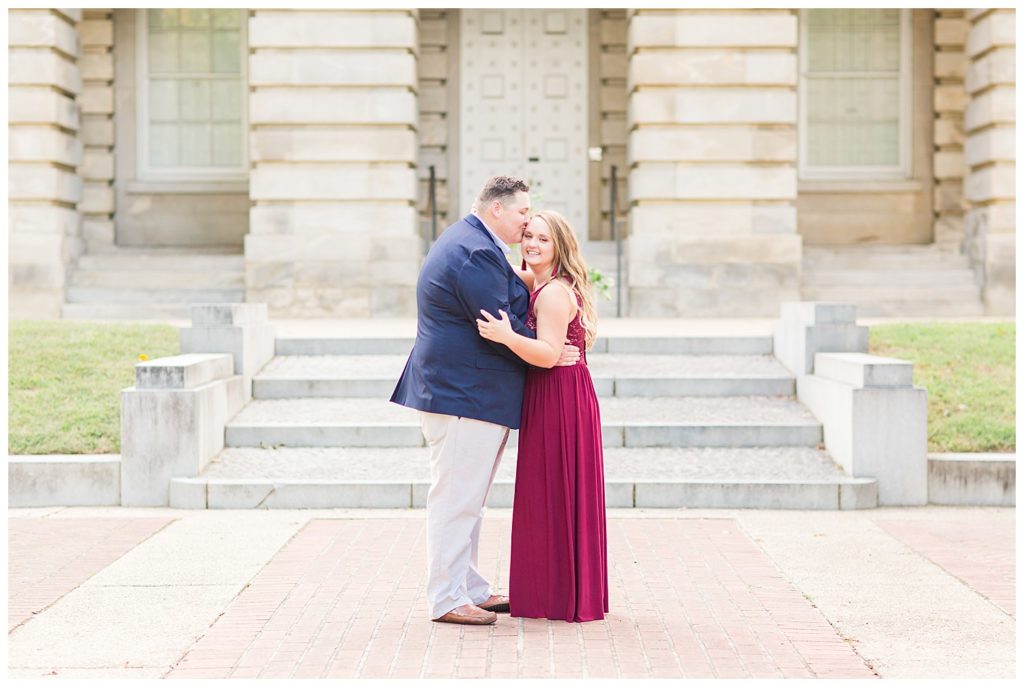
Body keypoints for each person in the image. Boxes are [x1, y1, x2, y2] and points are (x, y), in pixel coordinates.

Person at [390, 176, 580, 626]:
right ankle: (447, 598)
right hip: (463, 396)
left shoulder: (472, 241)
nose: (527, 220)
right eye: (522, 213)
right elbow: (498, 321)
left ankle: (469, 587)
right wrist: (549, 349)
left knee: (468, 499)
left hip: (468, 393)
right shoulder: (475, 249)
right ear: (497, 209)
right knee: (456, 500)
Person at [476, 209, 609, 622]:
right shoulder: (541, 280)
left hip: (560, 395)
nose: (531, 244)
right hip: (556, 391)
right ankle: (557, 588)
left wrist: (507, 336)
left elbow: (550, 355)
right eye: (528, 235)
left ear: (560, 247)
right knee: (550, 491)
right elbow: (509, 274)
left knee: (555, 489)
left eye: (542, 239)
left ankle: (557, 594)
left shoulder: (553, 293)